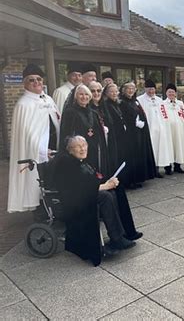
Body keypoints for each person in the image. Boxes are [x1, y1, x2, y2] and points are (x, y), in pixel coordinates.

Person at [54, 136, 137, 266]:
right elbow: (79, 188)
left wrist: (108, 183)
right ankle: (116, 238)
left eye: (84, 145)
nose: (83, 148)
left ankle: (125, 232)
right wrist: (105, 186)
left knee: (116, 191)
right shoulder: (68, 164)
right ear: (70, 150)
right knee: (105, 196)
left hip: (85, 195)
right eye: (78, 146)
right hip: (75, 201)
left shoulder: (81, 161)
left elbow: (92, 180)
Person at [8, 64, 60, 213]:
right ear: (25, 83)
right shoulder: (23, 105)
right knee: (38, 182)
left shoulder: (48, 99)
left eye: (39, 79)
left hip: (54, 146)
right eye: (31, 80)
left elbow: (57, 119)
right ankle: (41, 213)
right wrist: (43, 150)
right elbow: (27, 133)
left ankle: (54, 209)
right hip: (37, 152)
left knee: (52, 181)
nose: (36, 82)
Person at [60, 84, 109, 175]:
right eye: (81, 94)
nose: (84, 97)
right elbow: (67, 134)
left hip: (93, 148)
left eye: (86, 94)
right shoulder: (70, 112)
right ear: (75, 96)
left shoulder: (93, 113)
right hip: (78, 150)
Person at [119, 82, 156, 187]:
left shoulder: (135, 101)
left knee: (139, 155)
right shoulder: (122, 102)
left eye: (132, 88)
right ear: (123, 90)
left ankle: (139, 178)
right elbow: (123, 117)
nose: (131, 90)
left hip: (139, 133)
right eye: (128, 88)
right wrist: (134, 123)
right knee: (132, 156)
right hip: (130, 134)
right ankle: (131, 180)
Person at [137, 79, 174, 177]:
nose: (151, 91)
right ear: (145, 89)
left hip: (160, 129)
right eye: (149, 89)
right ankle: (152, 170)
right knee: (152, 149)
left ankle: (159, 167)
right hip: (149, 129)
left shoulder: (159, 100)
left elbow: (164, 114)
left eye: (152, 89)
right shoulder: (140, 100)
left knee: (160, 149)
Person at [163, 83, 184, 174]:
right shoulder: (163, 104)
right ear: (166, 93)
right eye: (169, 92)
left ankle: (178, 166)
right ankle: (168, 167)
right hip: (168, 130)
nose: (171, 94)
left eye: (173, 92)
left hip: (179, 130)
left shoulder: (180, 103)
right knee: (169, 147)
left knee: (178, 147)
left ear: (175, 93)